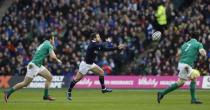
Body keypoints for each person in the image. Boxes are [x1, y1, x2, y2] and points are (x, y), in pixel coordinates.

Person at [67, 33, 125, 101]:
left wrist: (116, 47)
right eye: (98, 37)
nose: (99, 38)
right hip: (85, 65)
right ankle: (69, 91)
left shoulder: (96, 45)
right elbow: (103, 46)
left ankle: (103, 89)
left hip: (91, 64)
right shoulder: (93, 44)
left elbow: (105, 48)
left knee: (101, 72)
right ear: (94, 38)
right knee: (77, 79)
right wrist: (109, 43)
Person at [4, 34, 62, 102]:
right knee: (25, 84)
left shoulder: (44, 43)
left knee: (49, 77)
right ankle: (8, 92)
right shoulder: (49, 45)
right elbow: (53, 56)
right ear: (50, 39)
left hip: (38, 65)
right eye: (53, 39)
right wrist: (57, 60)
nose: (54, 41)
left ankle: (46, 95)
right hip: (34, 66)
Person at [157, 32, 207, 104]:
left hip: (181, 64)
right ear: (198, 38)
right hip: (186, 65)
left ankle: (162, 93)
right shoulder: (198, 44)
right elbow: (202, 52)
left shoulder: (185, 44)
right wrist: (205, 54)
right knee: (194, 77)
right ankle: (193, 99)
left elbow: (178, 54)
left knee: (181, 82)